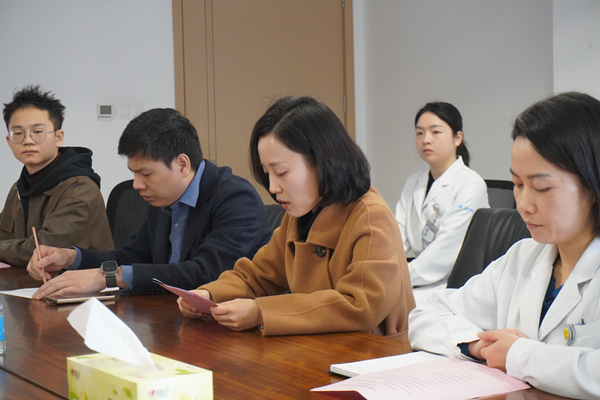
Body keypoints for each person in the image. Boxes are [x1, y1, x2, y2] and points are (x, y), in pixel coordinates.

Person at [408, 92, 600, 399]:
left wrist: (518, 355)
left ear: (592, 185)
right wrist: (478, 345)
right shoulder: (523, 258)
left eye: (541, 187)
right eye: (518, 185)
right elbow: (424, 316)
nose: (523, 204)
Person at [178, 96, 415, 338]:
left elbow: (361, 305)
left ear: (323, 161)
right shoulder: (300, 214)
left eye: (281, 172)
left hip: (378, 354)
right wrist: (208, 295)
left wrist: (261, 312)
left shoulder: (370, 216)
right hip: (322, 348)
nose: (273, 187)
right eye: (267, 173)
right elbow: (258, 276)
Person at [27, 108, 272, 297]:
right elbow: (131, 257)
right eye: (133, 173)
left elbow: (208, 273)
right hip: (171, 317)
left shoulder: (235, 198)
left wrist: (108, 277)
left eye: (145, 174)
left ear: (182, 164)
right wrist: (70, 258)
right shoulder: (164, 200)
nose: (136, 185)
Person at [0, 85, 113, 267]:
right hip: (24, 279)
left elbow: (42, 251)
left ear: (58, 137)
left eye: (37, 132)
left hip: (79, 282)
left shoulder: (80, 189)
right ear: (9, 141)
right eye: (18, 133)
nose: (27, 140)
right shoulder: (20, 187)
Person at [395, 102, 488, 306]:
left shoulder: (471, 185)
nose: (425, 140)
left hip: (455, 285)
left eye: (435, 132)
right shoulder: (414, 182)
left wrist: (398, 278)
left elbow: (445, 251)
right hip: (419, 278)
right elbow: (396, 237)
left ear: (457, 138)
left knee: (391, 309)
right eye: (419, 133)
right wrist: (381, 270)